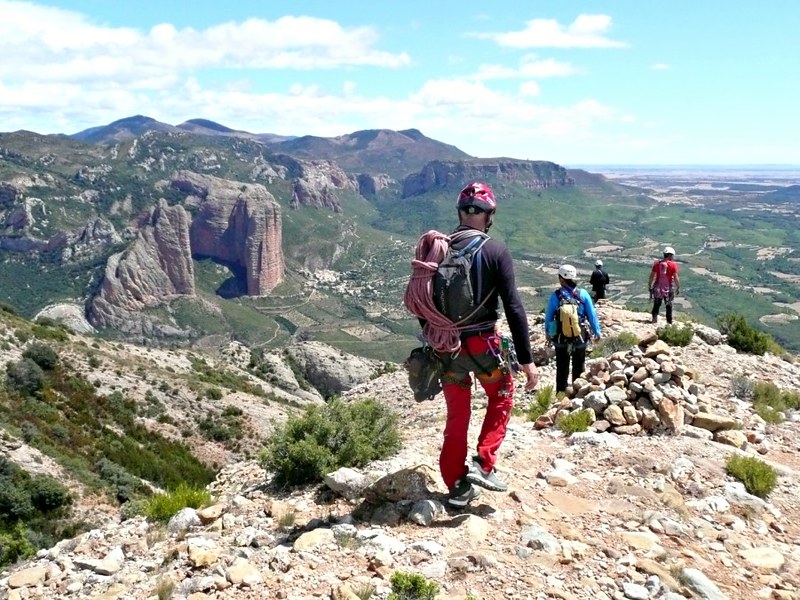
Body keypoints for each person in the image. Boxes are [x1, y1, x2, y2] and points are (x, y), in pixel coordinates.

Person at [405, 181, 539, 508]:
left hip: (447, 350)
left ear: (461, 212)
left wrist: (436, 337)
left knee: (457, 416)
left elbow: (425, 302)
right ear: (489, 214)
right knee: (503, 392)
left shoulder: (441, 250)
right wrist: (526, 358)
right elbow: (514, 306)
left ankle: (456, 486)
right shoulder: (495, 251)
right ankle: (484, 463)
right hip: (483, 347)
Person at [545, 264, 602, 394]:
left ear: (561, 279)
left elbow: (549, 317)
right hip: (580, 336)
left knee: (562, 367)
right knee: (579, 365)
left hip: (561, 337)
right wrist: (597, 331)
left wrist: (548, 333)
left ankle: (560, 395)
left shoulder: (556, 296)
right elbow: (592, 315)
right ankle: (578, 394)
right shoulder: (583, 294)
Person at [649, 246, 681, 324]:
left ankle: (654, 320)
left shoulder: (657, 264)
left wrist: (650, 285)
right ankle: (669, 322)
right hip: (669, 288)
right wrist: (678, 287)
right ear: (670, 255)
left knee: (656, 304)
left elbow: (652, 276)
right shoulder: (673, 265)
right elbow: (676, 277)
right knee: (669, 305)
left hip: (658, 288)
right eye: (672, 256)